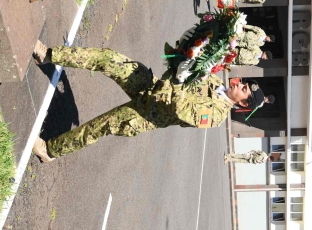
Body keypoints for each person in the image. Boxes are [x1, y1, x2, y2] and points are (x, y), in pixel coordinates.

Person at [30, 43, 267, 162]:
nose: (239, 85)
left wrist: (178, 80)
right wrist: (187, 53)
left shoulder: (216, 116)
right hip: (151, 86)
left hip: (148, 114)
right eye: (244, 83)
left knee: (99, 126)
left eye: (244, 89)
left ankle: (50, 150)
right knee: (109, 59)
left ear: (242, 104)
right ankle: (49, 54)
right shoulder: (215, 81)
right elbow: (186, 67)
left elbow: (183, 111)